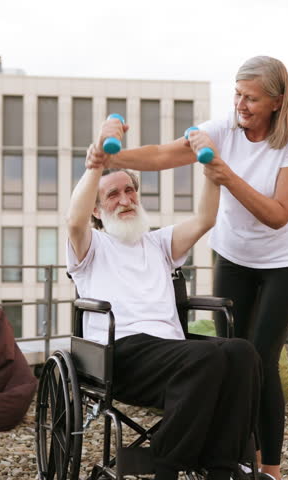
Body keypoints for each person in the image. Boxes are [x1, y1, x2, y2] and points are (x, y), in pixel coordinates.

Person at [92, 56, 288, 480]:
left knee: (263, 356)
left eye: (251, 98)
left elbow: (278, 214)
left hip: (283, 260)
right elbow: (161, 154)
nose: (241, 104)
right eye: (237, 94)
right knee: (235, 359)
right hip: (233, 255)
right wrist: (107, 158)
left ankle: (270, 467)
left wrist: (226, 176)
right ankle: (231, 460)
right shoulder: (222, 129)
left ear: (276, 101)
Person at [66, 139, 262, 480]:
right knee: (206, 358)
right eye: (112, 195)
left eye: (130, 190)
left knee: (242, 352)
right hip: (121, 353)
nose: (125, 199)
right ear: (96, 210)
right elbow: (73, 222)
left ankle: (222, 468)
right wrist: (95, 163)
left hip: (170, 352)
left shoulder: (158, 244)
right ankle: (167, 467)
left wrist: (212, 170)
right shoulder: (91, 247)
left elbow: (204, 218)